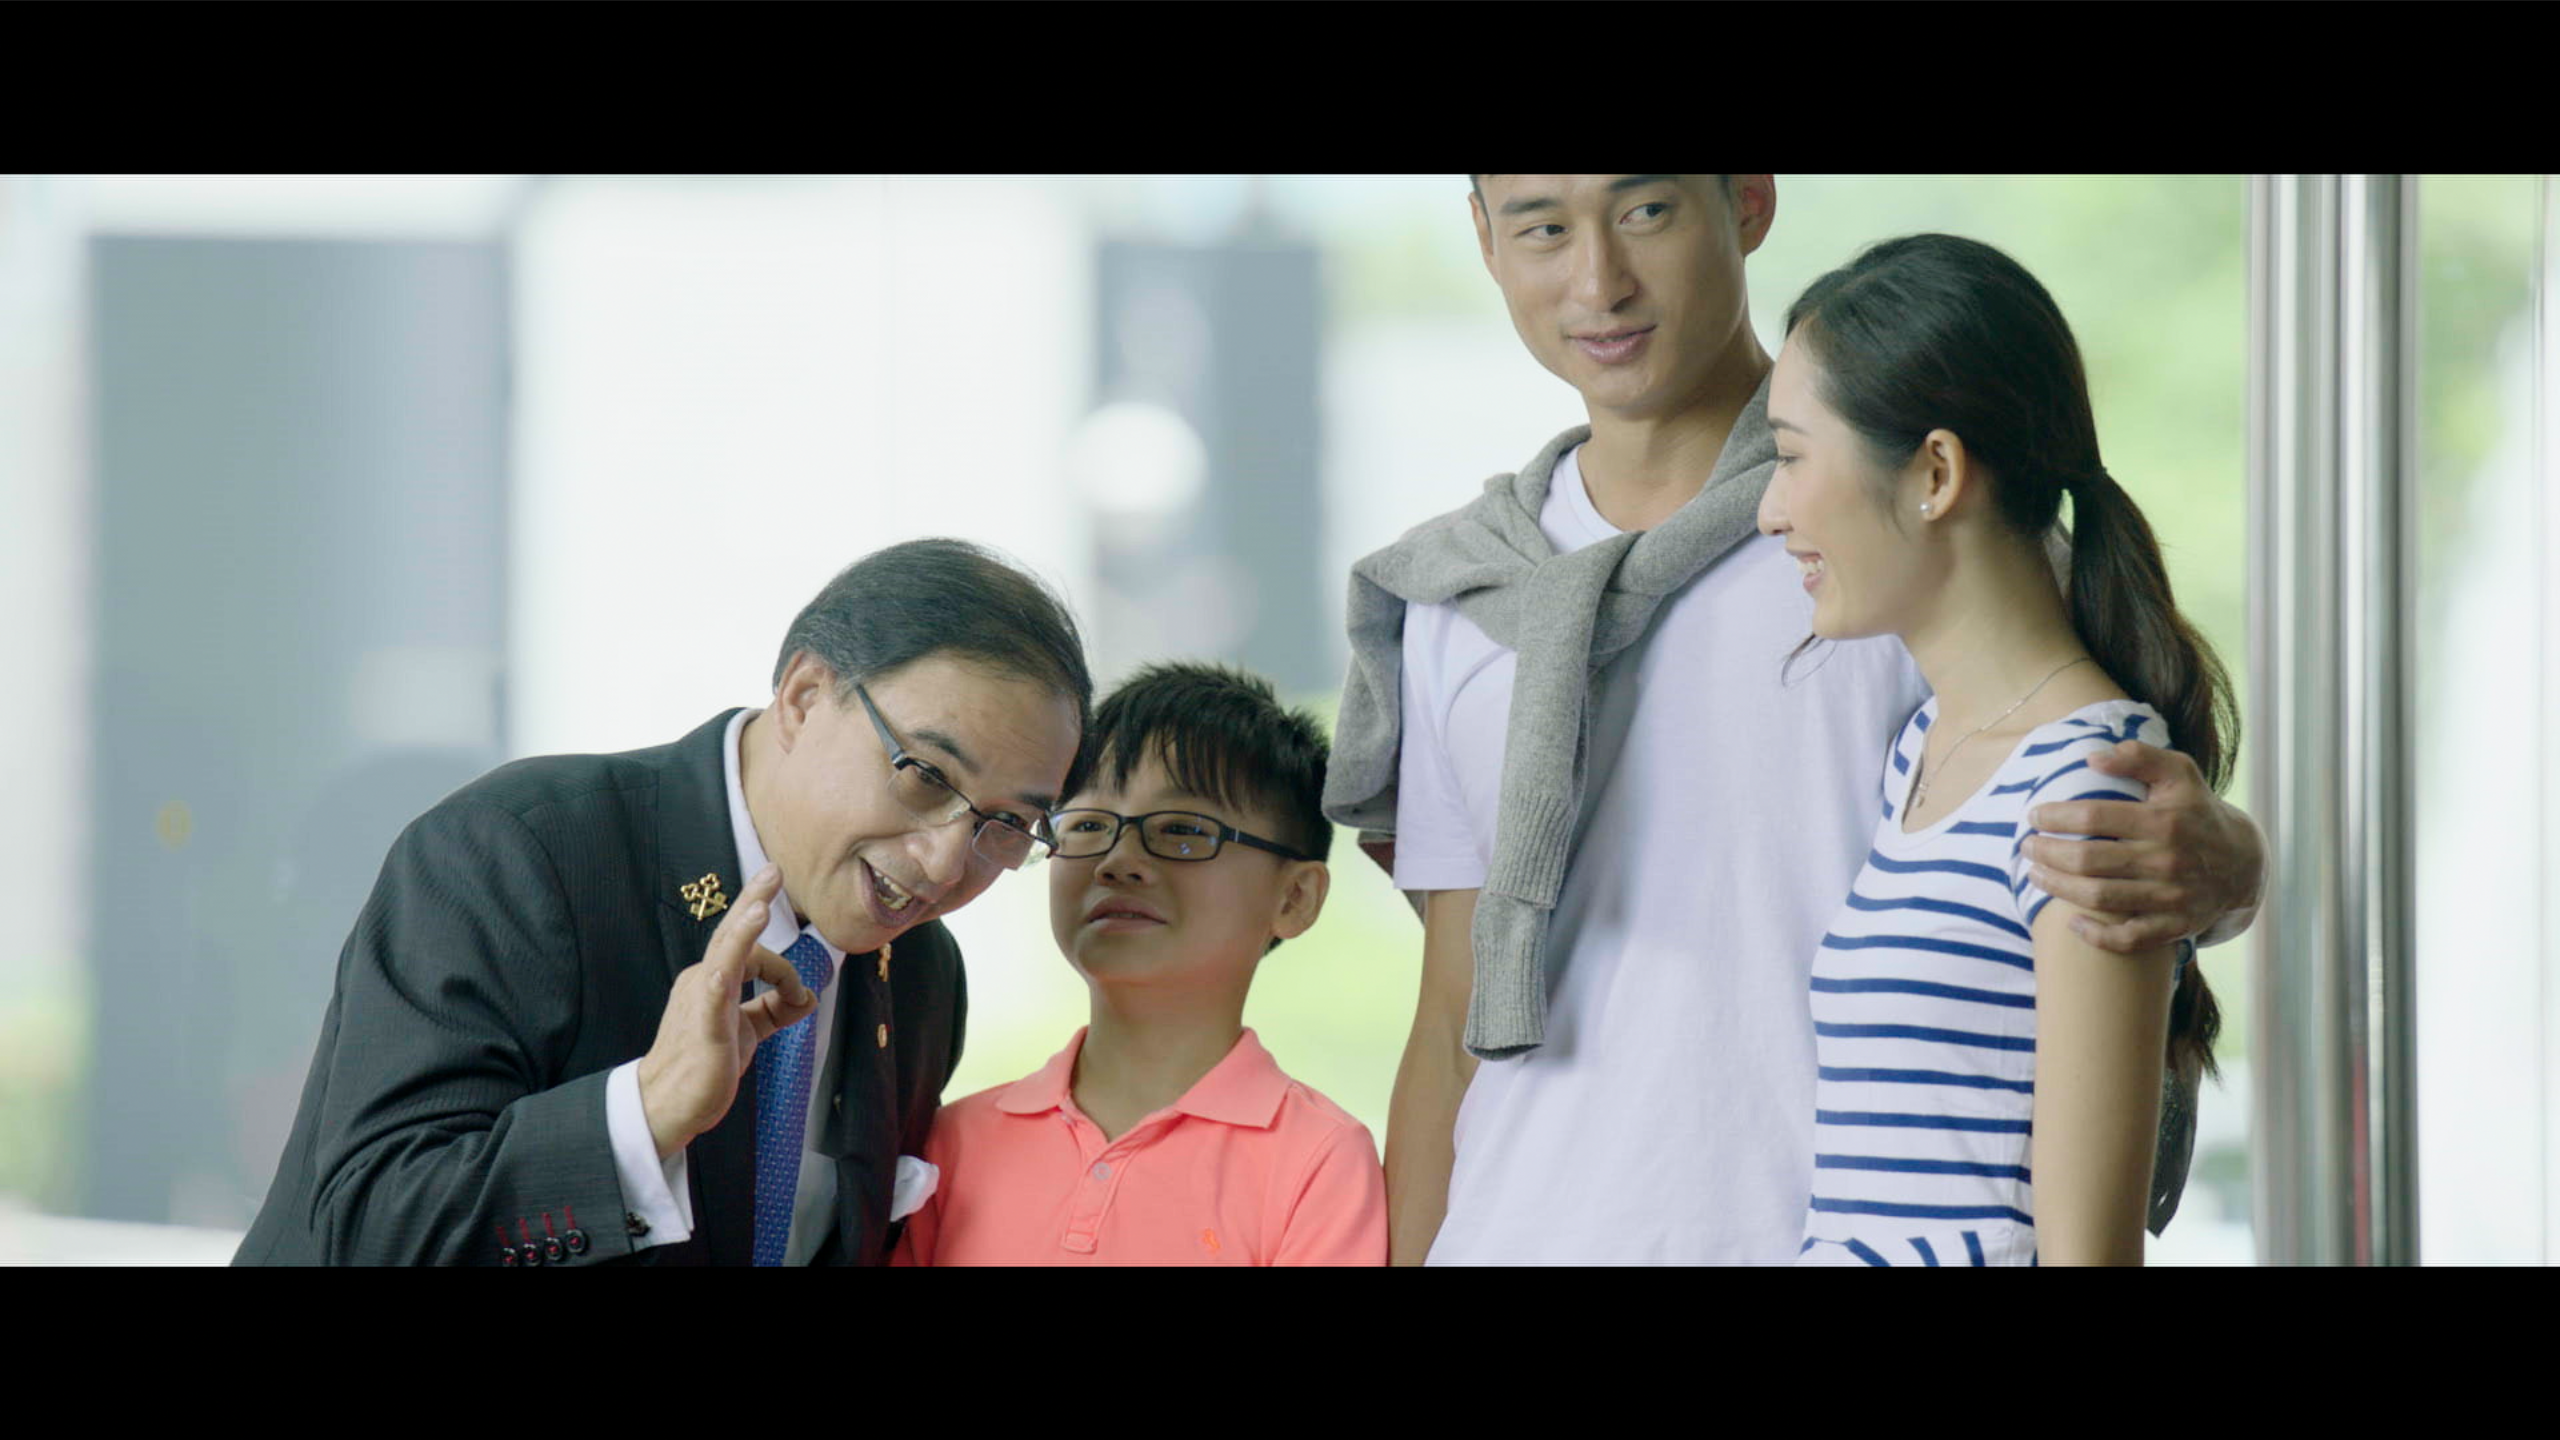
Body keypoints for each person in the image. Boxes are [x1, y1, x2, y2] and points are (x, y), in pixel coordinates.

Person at [1325, 175, 2267, 1264]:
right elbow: (1451, 1021)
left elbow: (2089, 795)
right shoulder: (1457, 597)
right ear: (1487, 241)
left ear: (1748, 200)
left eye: (1645, 211)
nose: (1598, 281)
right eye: (1541, 226)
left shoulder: (1909, 544)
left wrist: (2233, 869)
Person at [234, 538, 1090, 1265]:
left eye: (1008, 824)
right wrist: (641, 1117)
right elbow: (370, 1229)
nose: (946, 861)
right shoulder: (524, 849)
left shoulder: (922, 973)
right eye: (926, 776)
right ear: (803, 697)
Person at [1763, 234, 2234, 1266]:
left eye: (1792, 458)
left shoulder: (2089, 788)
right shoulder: (1922, 753)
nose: (1770, 512)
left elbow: (2087, 1251)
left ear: (1935, 473)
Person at [896, 662, 1386, 1265]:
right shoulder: (955, 1139)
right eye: (1089, 825)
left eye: (1182, 830)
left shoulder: (1318, 1158)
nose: (1119, 861)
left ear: (1294, 898)